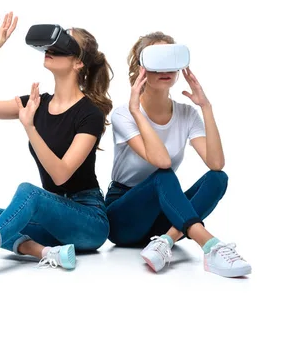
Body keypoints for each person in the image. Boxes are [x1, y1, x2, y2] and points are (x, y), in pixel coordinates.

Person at [0, 12, 112, 283]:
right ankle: (46, 252)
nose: (50, 49)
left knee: (29, 193)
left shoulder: (90, 114)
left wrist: (30, 128)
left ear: (78, 62)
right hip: (50, 219)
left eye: (63, 44)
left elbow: (61, 175)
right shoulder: (36, 103)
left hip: (88, 221)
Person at [104, 31, 252, 278]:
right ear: (141, 68)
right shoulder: (124, 114)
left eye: (172, 62)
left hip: (165, 216)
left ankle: (165, 241)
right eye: (158, 62)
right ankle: (210, 246)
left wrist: (205, 107)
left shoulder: (186, 114)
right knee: (163, 173)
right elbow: (161, 161)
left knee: (218, 178)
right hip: (124, 218)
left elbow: (216, 163)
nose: (166, 70)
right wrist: (137, 112)